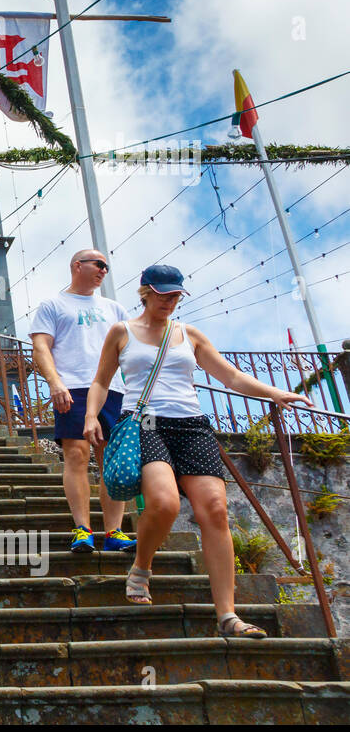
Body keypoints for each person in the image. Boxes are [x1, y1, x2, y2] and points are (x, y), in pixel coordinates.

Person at [84, 264, 309, 639]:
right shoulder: (122, 332)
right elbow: (101, 382)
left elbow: (231, 376)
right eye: (163, 295)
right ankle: (142, 566)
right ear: (145, 293)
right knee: (164, 503)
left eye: (175, 295)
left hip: (191, 425)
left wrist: (274, 393)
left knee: (215, 510)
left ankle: (228, 616)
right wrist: (92, 415)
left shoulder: (189, 334)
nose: (169, 301)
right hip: (146, 423)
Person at [29, 250, 137, 553]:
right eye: (98, 264)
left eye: (107, 266)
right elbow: (41, 347)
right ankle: (82, 529)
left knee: (111, 459)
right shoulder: (53, 305)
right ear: (78, 266)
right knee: (76, 454)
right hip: (72, 386)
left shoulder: (114, 308)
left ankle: (114, 532)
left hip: (113, 389)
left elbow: (130, 350)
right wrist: (55, 382)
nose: (104, 270)